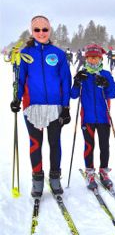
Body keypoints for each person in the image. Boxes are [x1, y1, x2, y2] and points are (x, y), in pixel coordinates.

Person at [10, 15, 72, 197]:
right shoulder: (25, 54)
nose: (41, 33)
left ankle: (54, 177)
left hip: (55, 107)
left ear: (49, 30)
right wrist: (16, 99)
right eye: (37, 30)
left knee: (54, 143)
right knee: (35, 144)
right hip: (32, 107)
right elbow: (20, 81)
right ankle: (37, 179)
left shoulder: (58, 54)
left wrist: (66, 107)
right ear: (32, 31)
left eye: (44, 29)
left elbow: (65, 81)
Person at [71, 44, 115, 190]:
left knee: (104, 146)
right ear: (86, 58)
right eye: (90, 58)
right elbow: (73, 95)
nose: (93, 60)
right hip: (87, 118)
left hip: (104, 118)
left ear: (100, 58)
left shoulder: (106, 74)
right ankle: (90, 172)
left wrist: (106, 84)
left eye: (96, 57)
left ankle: (104, 172)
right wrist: (77, 82)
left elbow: (113, 94)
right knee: (89, 146)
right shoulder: (83, 74)